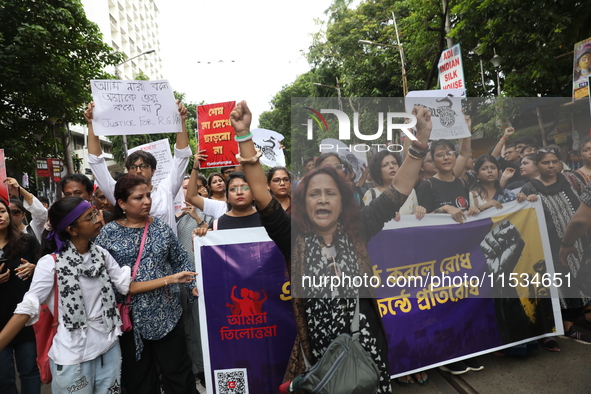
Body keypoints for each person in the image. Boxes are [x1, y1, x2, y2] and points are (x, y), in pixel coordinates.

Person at [231, 100, 433, 393]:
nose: (323, 199)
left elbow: (398, 189)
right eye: (315, 193)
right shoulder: (294, 237)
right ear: (304, 203)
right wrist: (244, 136)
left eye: (330, 193)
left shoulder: (359, 228)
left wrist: (421, 141)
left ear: (342, 201)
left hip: (366, 351)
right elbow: (261, 193)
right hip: (320, 358)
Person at [95, 174, 198, 394]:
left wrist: (192, 286)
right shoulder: (108, 233)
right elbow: (101, 276)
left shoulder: (161, 228)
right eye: (138, 197)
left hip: (167, 314)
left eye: (148, 195)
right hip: (130, 320)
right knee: (139, 378)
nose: (147, 201)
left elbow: (180, 260)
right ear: (122, 203)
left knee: (178, 373)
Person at [85, 100, 191, 235]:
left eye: (143, 166)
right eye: (133, 167)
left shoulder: (166, 190)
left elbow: (181, 157)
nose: (138, 170)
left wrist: (181, 121)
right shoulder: (118, 192)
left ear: (153, 171)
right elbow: (97, 163)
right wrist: (91, 124)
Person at [519, 147, 591, 347]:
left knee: (579, 287)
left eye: (554, 161)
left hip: (579, 244)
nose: (551, 166)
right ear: (536, 165)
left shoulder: (570, 180)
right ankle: (548, 332)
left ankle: (568, 329)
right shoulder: (528, 188)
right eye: (545, 162)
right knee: (556, 290)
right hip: (548, 249)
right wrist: (523, 202)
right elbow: (520, 216)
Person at [0, 198, 41, 394]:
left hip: (25, 318)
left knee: (30, 372)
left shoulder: (28, 241)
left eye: (2, 211)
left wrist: (34, 268)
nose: (0, 216)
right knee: (3, 376)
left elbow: (46, 273)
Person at [416, 139, 480, 223]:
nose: (446, 157)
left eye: (450, 153)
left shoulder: (463, 183)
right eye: (440, 155)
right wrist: (444, 208)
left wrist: (473, 210)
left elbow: (464, 213)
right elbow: (421, 220)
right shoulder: (427, 185)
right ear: (434, 161)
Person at [363, 151, 425, 219]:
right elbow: (366, 221)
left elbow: (414, 220)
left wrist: (420, 212)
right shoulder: (371, 194)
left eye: (394, 163)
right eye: (385, 165)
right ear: (378, 171)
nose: (391, 166)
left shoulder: (410, 191)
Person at [3, 178, 47, 243]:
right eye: (5, 212)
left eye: (15, 212)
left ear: (23, 214)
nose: (10, 215)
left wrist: (20, 190)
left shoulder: (34, 228)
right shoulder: (3, 236)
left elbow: (41, 213)